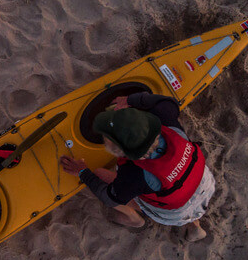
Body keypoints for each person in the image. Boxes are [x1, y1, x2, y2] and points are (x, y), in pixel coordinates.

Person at [59, 92, 215, 242]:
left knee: (99, 174)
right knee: (180, 189)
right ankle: (195, 226)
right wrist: (130, 99)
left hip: (174, 212)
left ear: (126, 154)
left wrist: (82, 171)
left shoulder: (134, 175)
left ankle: (134, 220)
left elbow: (110, 198)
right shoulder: (166, 120)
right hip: (204, 186)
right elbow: (169, 102)